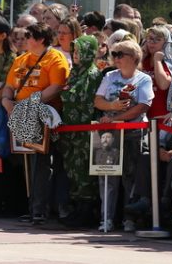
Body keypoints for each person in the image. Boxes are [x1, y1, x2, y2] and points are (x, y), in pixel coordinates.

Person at [1, 21, 69, 225]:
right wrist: (6, 101)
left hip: (43, 115)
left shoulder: (55, 58)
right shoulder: (21, 59)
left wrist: (29, 104)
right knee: (27, 161)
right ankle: (32, 207)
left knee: (41, 162)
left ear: (40, 39)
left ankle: (40, 209)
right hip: (20, 113)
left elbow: (56, 87)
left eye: (28, 36)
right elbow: (9, 86)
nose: (23, 40)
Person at [94, 40, 154, 232]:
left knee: (131, 177)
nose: (116, 58)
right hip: (110, 133)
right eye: (115, 54)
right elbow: (98, 101)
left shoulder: (143, 79)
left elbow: (143, 106)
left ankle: (130, 219)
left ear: (135, 58)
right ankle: (106, 218)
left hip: (134, 133)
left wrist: (116, 117)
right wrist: (112, 108)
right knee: (107, 176)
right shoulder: (110, 76)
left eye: (121, 54)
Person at [59, 35, 102, 227]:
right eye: (74, 51)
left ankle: (87, 210)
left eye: (79, 51)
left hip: (84, 132)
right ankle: (77, 207)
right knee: (73, 170)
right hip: (70, 131)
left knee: (84, 170)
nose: (75, 55)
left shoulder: (93, 74)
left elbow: (90, 103)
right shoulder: (74, 73)